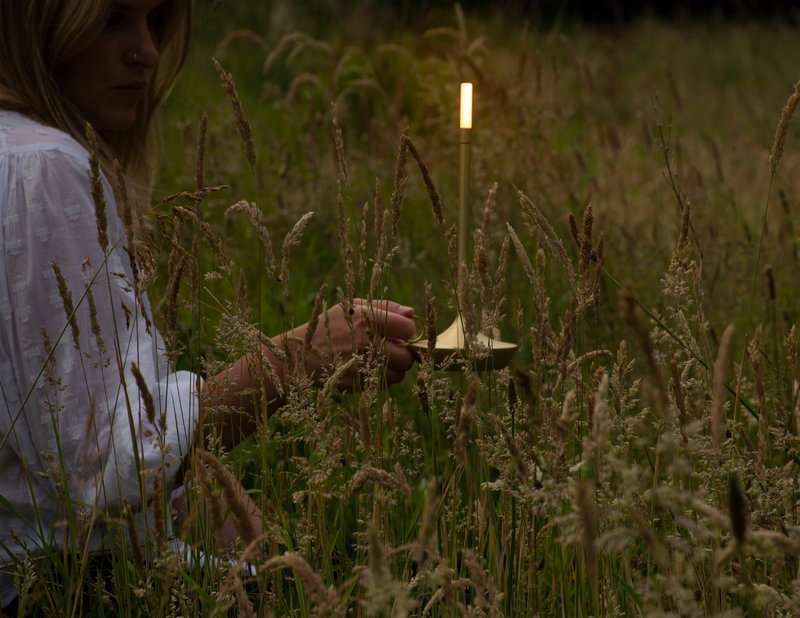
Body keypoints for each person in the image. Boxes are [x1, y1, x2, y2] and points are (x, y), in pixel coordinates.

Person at [0, 0, 416, 610]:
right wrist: (291, 364)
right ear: (40, 26)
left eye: (155, 22)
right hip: (53, 588)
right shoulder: (45, 168)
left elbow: (62, 434)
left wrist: (258, 547)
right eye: (112, 20)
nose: (146, 51)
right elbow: (95, 466)